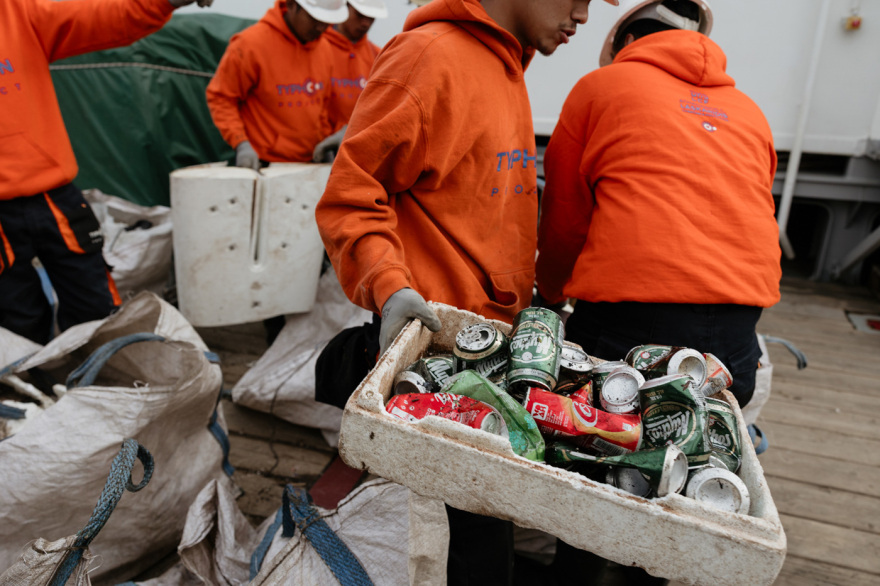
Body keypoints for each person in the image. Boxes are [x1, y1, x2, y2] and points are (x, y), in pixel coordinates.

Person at [315, 0, 618, 583]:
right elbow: (351, 197)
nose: (584, 15)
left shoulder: (507, 65)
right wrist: (389, 289)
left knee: (480, 546)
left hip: (490, 359)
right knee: (460, 554)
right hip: (432, 366)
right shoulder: (430, 58)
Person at [535, 0, 781, 582]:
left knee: (596, 469)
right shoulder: (750, 110)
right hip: (735, 333)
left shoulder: (600, 88)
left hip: (629, 323)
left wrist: (549, 297)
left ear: (625, 43)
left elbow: (565, 221)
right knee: (683, 476)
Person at [0, 0, 214, 345]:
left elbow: (104, 15)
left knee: (95, 306)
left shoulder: (19, 13)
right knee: (16, 320)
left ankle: (100, 371)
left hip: (52, 195)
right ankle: (29, 377)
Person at [206, 0, 349, 171]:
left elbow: (321, 106)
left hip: (309, 164)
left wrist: (325, 140)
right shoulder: (250, 44)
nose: (320, 27)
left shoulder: (324, 49)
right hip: (263, 166)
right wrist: (241, 143)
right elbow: (221, 98)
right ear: (291, 5)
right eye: (314, 19)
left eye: (326, 21)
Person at [319, 0, 387, 154]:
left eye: (371, 18)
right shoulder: (318, 48)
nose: (365, 23)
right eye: (360, 15)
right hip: (319, 150)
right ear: (344, 7)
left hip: (358, 151)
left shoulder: (378, 56)